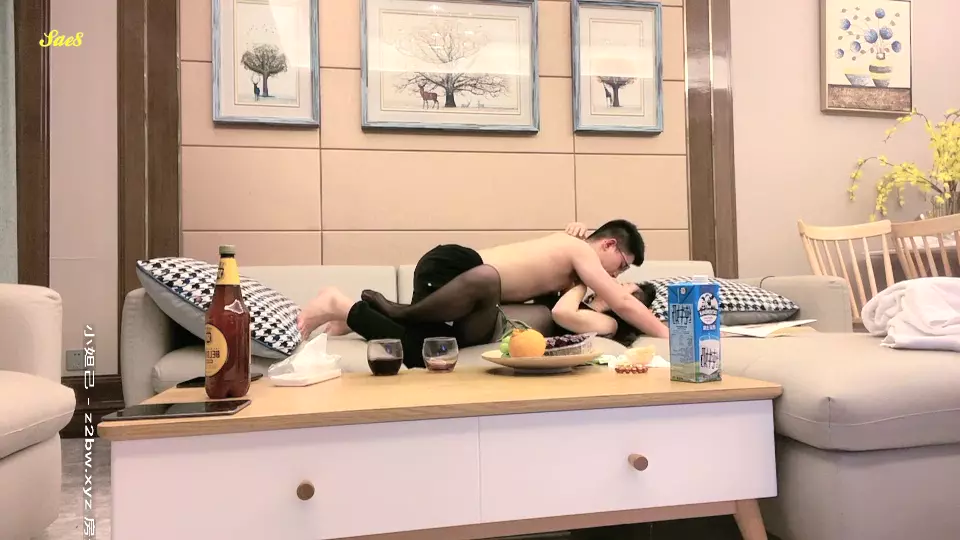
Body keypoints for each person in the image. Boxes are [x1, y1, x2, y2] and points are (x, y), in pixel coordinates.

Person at [297, 219, 669, 367]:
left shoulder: (573, 276)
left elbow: (569, 306)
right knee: (487, 280)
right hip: (463, 271)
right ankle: (391, 310)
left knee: (419, 351)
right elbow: (621, 302)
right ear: (607, 244)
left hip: (468, 294)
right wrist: (670, 333)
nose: (615, 277)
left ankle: (347, 313)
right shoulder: (580, 254)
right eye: (621, 267)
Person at [550, 281, 659, 347]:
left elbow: (561, 312)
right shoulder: (578, 301)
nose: (613, 282)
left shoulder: (610, 324)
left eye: (620, 286)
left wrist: (584, 282)